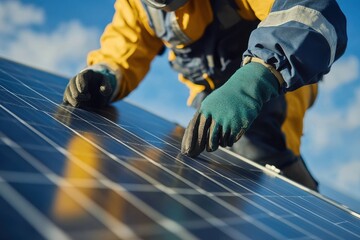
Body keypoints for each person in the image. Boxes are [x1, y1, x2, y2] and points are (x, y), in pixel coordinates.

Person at [63, 0, 347, 191]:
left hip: (275, 79)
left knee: (259, 149)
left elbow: (309, 12)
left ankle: (305, 205)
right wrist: (106, 74)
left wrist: (254, 80)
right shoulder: (137, 6)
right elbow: (125, 45)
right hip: (211, 95)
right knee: (213, 169)